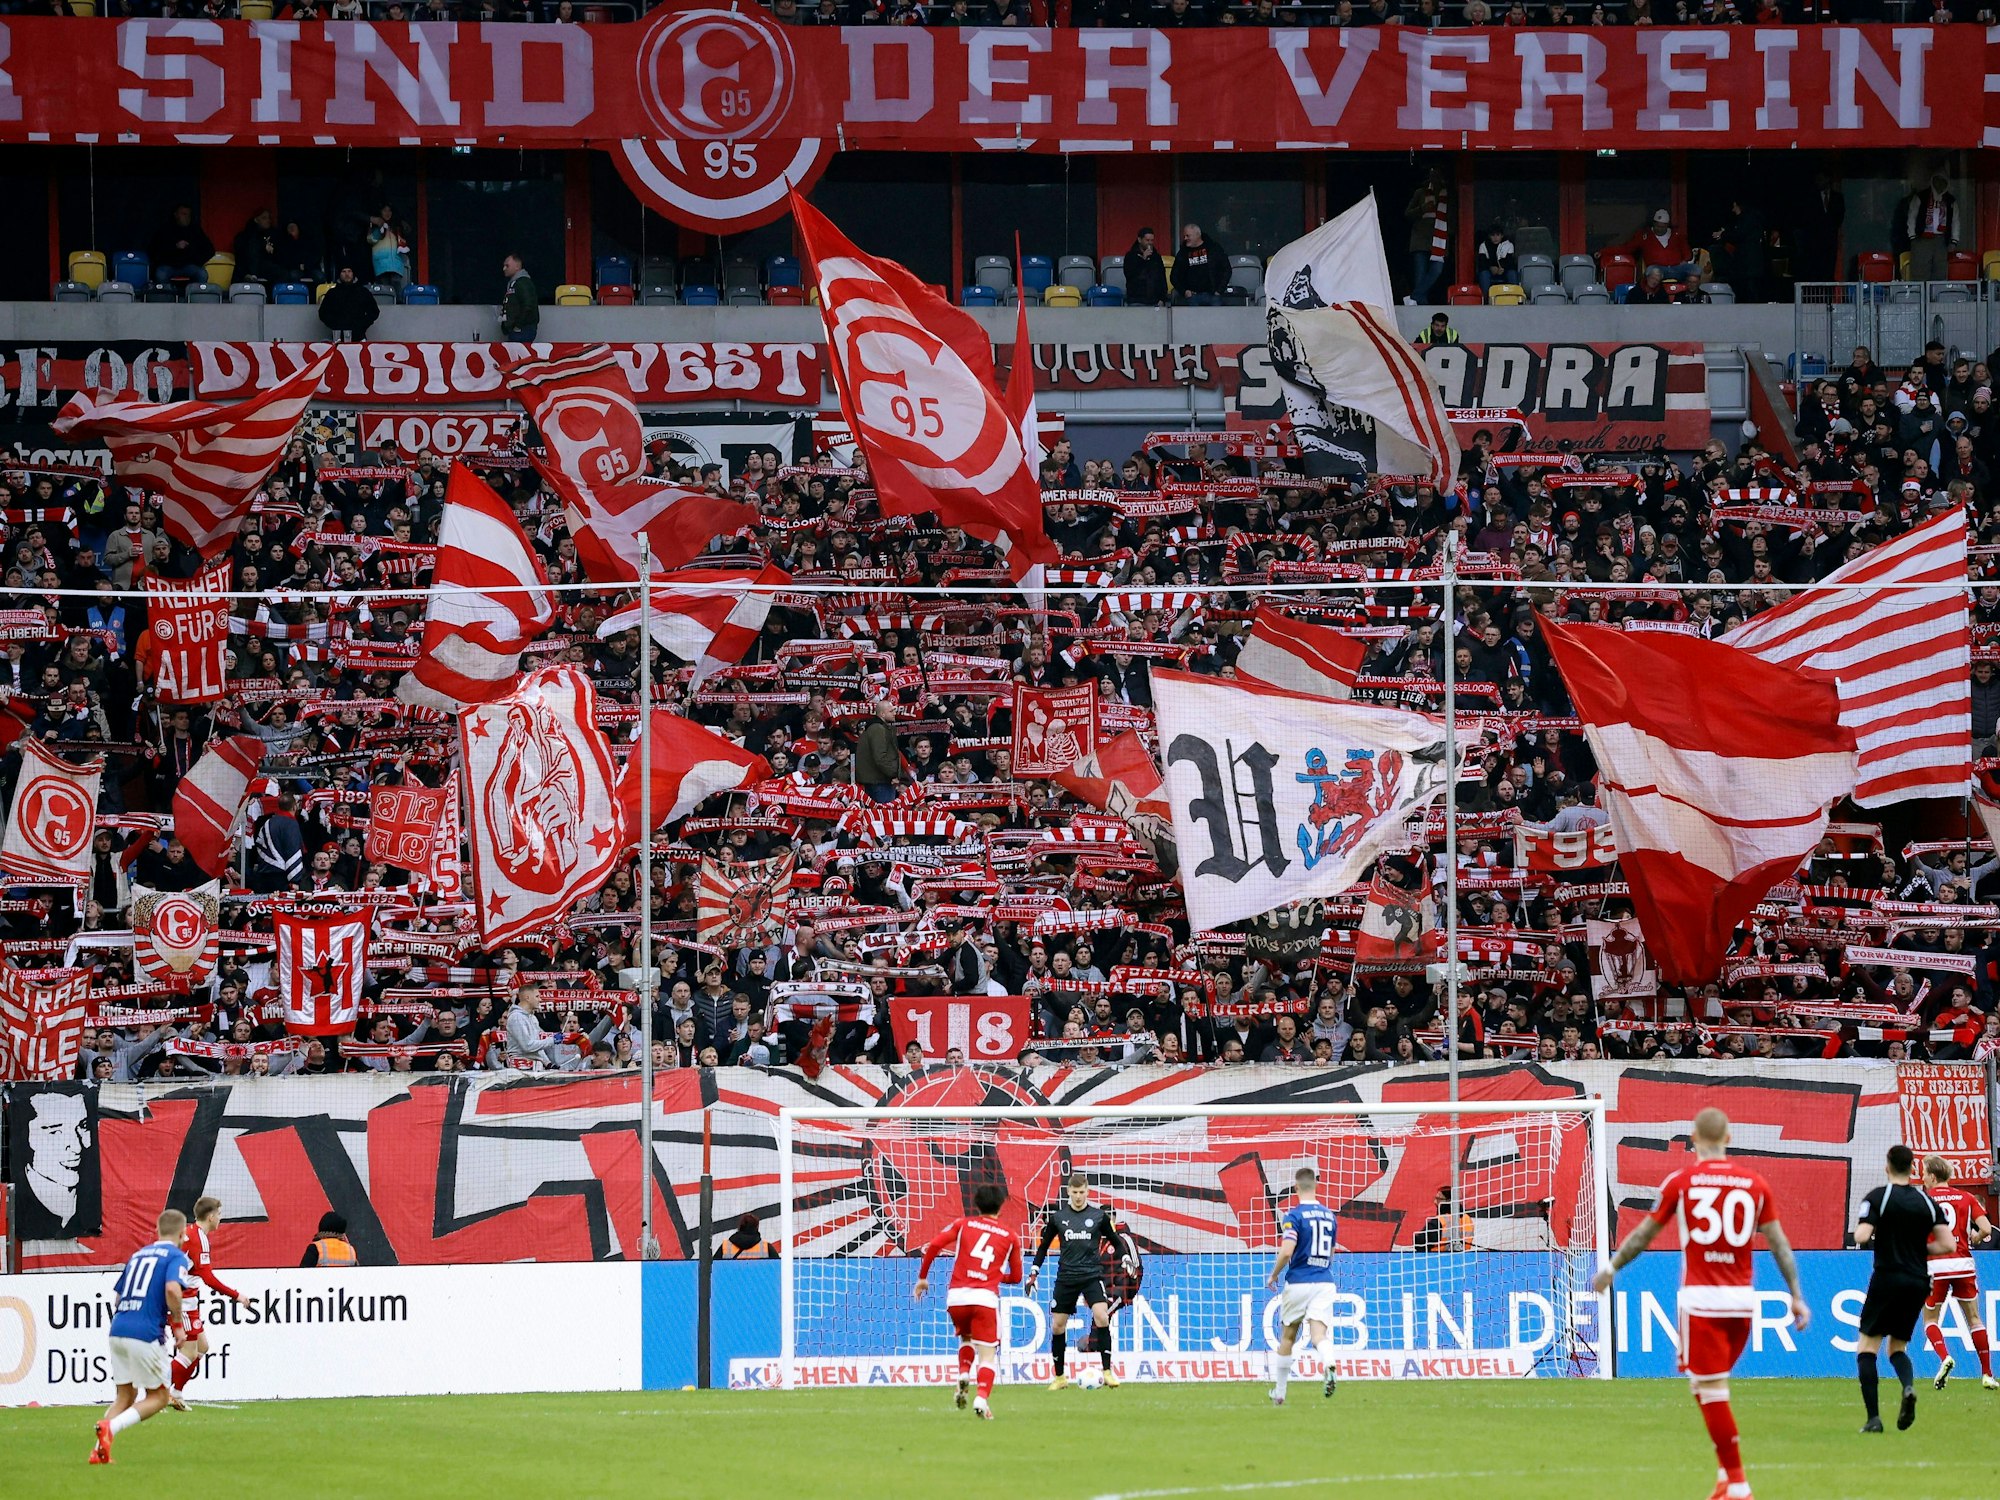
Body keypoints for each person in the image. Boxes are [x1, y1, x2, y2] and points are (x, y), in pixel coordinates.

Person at [1591, 1108, 1806, 1500]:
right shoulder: (1754, 1184)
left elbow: (1643, 1235)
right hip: (1742, 1303)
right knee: (1703, 1384)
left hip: (1702, 1302)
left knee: (1711, 1390)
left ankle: (1739, 1484)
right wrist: (1796, 1295)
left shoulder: (1683, 1181)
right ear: (1728, 1136)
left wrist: (1611, 1268)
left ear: (1692, 1138)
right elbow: (1778, 1243)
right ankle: (1726, 1477)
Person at [1853, 1143, 1954, 1433]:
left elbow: (1861, 1235)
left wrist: (1872, 1230)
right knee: (1897, 1347)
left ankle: (1873, 1419)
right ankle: (1908, 1387)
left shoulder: (1878, 1198)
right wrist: (1919, 1251)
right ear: (1913, 1168)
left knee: (1868, 1347)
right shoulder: (1926, 1202)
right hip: (1917, 1281)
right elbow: (1948, 1244)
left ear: (1887, 1166)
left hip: (1887, 1277)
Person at [92, 1209, 192, 1465]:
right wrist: (178, 1325)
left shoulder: (138, 1255)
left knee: (125, 1396)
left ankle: (99, 1451)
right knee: (158, 1397)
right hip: (145, 1333)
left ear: (157, 1232)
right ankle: (110, 1429)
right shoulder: (176, 1256)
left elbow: (117, 1297)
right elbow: (172, 1289)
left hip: (119, 1328)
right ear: (182, 1234)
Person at [913, 1180, 1020, 1420]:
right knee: (988, 1354)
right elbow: (1017, 1277)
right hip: (984, 1298)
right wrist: (993, 1275)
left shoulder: (963, 1224)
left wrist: (922, 1278)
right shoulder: (1010, 1236)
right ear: (1001, 1207)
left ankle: (963, 1373)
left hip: (957, 1298)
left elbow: (935, 1245)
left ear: (976, 1204)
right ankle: (982, 1397)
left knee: (966, 1337)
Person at [1025, 1172, 1133, 1390]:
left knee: (1102, 1316)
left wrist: (1125, 1257)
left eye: (1082, 1192)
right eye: (1074, 1192)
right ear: (1068, 1192)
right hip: (1066, 1277)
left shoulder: (1099, 1217)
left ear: (1087, 1192)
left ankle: (1107, 1372)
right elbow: (1043, 1247)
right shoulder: (1058, 1218)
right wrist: (1033, 1272)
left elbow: (1116, 1241)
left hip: (1092, 1275)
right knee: (1057, 1326)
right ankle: (1060, 1377)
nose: (1078, 1196)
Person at [1917, 1155, 1995, 1389]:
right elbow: (1986, 1228)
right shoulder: (1967, 1197)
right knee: (1974, 1319)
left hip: (1935, 1266)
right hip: (1962, 1263)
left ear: (1932, 1175)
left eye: (1923, 1173)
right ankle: (1987, 1374)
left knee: (1930, 1320)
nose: (1922, 1178)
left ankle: (1945, 1357)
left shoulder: (1923, 1200)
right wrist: (1976, 1237)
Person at [1265, 1165, 1339, 1405]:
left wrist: (1274, 1274)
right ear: (1316, 1186)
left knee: (1288, 1336)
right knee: (1319, 1334)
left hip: (1299, 1281)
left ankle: (1280, 1392)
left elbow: (1287, 1251)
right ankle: (1328, 1362)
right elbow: (1332, 1252)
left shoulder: (1294, 1216)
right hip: (1324, 1281)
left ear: (1296, 1187)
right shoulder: (1330, 1216)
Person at [169, 1195, 245, 1404]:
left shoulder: (189, 1232)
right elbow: (208, 1278)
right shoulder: (198, 1238)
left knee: (202, 1347)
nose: (221, 1218)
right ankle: (157, 1391)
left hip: (186, 1299)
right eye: (219, 1214)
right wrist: (237, 1296)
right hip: (181, 1300)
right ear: (211, 1217)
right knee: (189, 1353)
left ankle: (175, 1393)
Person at [148, 204, 214, 284]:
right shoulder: (165, 230)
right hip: (168, 265)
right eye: (183, 214)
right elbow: (155, 250)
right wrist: (175, 246)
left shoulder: (195, 230)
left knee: (202, 274)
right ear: (176, 215)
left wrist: (195, 258)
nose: (187, 217)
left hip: (189, 266)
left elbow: (209, 249)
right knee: (160, 274)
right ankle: (167, 296)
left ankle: (195, 296)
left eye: (188, 215)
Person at [1168, 223, 1227, 306]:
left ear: (1197, 235)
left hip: (1213, 295)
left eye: (1188, 236)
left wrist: (1219, 291)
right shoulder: (1182, 253)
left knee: (1216, 318)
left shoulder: (1213, 248)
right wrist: (1184, 291)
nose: (1185, 238)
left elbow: (1226, 269)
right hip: (1192, 296)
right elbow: (1174, 276)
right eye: (1184, 236)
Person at [318, 266, 379, 343]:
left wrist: (362, 325)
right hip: (338, 338)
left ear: (353, 274)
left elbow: (374, 311)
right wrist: (335, 325)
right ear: (339, 274)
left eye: (349, 271)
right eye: (344, 271)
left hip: (359, 337)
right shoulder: (332, 293)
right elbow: (323, 313)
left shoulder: (363, 292)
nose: (347, 274)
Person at [1413, 1184, 1475, 1252]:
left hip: (1438, 1258)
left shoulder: (1439, 1221)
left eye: (1438, 1199)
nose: (1435, 1202)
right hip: (1464, 1258)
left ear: (1448, 1201)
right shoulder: (1468, 1219)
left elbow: (1420, 1242)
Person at [1121, 226, 1169, 307]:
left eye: (1152, 240)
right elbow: (1130, 274)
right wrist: (1143, 259)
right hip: (1136, 300)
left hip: (1155, 301)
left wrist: (1162, 298)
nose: (1150, 243)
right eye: (1147, 240)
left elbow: (1162, 277)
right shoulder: (1131, 256)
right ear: (1140, 240)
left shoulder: (1156, 257)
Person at [500, 251, 539, 341]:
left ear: (517, 267)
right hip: (517, 329)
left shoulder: (523, 283)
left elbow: (528, 305)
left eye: (507, 266)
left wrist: (517, 325)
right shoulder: (514, 283)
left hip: (523, 329)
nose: (504, 268)